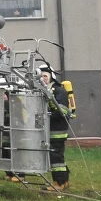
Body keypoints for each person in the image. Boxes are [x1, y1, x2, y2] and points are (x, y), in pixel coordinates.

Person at [39, 63, 72, 191]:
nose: (43, 79)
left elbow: (62, 111)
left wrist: (45, 116)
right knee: (57, 157)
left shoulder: (59, 91)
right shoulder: (44, 90)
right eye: (41, 76)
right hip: (49, 130)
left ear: (51, 76)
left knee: (56, 158)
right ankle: (64, 181)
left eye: (45, 76)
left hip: (57, 131)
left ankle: (59, 183)